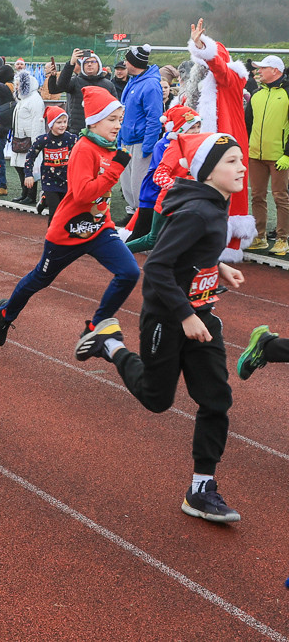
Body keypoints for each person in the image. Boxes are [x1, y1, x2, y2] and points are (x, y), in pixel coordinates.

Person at [75, 132, 246, 524]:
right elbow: (157, 266)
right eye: (231, 162)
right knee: (157, 399)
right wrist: (185, 315)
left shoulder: (212, 205)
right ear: (207, 171)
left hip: (201, 316)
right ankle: (110, 344)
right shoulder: (198, 212)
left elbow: (188, 251)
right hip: (169, 318)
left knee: (216, 399)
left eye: (241, 160)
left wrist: (216, 266)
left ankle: (202, 487)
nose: (240, 168)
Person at [0, 86, 139, 346]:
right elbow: (82, 194)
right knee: (40, 278)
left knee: (129, 272)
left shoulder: (110, 147)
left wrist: (107, 222)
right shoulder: (84, 149)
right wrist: (115, 170)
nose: (117, 126)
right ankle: (5, 312)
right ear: (94, 121)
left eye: (119, 120)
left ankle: (94, 327)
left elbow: (99, 199)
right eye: (111, 120)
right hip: (68, 232)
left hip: (99, 229)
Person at [125, 106, 202, 251]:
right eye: (192, 127)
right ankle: (120, 253)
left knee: (184, 239)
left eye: (198, 126)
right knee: (151, 238)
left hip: (182, 202)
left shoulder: (194, 146)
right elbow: (159, 176)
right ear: (180, 129)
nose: (197, 131)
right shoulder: (171, 147)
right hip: (163, 200)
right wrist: (181, 187)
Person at [243, 54, 289, 256]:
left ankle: (282, 239)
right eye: (257, 68)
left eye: (262, 68)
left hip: (279, 157)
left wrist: (287, 154)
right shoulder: (256, 93)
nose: (258, 71)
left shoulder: (287, 93)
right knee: (257, 196)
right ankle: (259, 237)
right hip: (255, 156)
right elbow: (248, 125)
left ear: (276, 71)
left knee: (281, 197)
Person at [117, 44, 164, 223]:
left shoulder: (151, 85)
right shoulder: (133, 81)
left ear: (133, 63)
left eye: (127, 61)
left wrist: (148, 146)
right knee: (127, 184)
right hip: (127, 140)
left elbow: (154, 118)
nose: (124, 64)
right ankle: (132, 216)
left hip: (140, 142)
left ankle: (142, 220)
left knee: (139, 184)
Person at [46, 50, 118, 134]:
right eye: (86, 62)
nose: (89, 64)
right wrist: (70, 64)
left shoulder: (108, 85)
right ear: (82, 66)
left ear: (99, 65)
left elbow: (115, 109)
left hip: (101, 131)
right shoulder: (75, 81)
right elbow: (58, 88)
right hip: (77, 130)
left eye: (93, 61)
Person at [25, 106, 76, 221]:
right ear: (51, 124)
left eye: (64, 122)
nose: (62, 125)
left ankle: (44, 199)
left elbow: (82, 153)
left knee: (66, 211)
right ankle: (51, 237)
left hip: (66, 180)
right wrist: (29, 174)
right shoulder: (43, 140)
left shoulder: (72, 139)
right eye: (58, 122)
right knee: (55, 213)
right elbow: (30, 156)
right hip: (49, 180)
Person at [10, 69, 46, 205]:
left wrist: (35, 141)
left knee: (30, 167)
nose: (17, 87)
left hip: (29, 139)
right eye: (16, 84)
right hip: (20, 139)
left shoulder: (35, 100)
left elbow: (37, 122)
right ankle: (24, 192)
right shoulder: (22, 99)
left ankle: (31, 195)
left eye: (19, 84)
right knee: (19, 166)